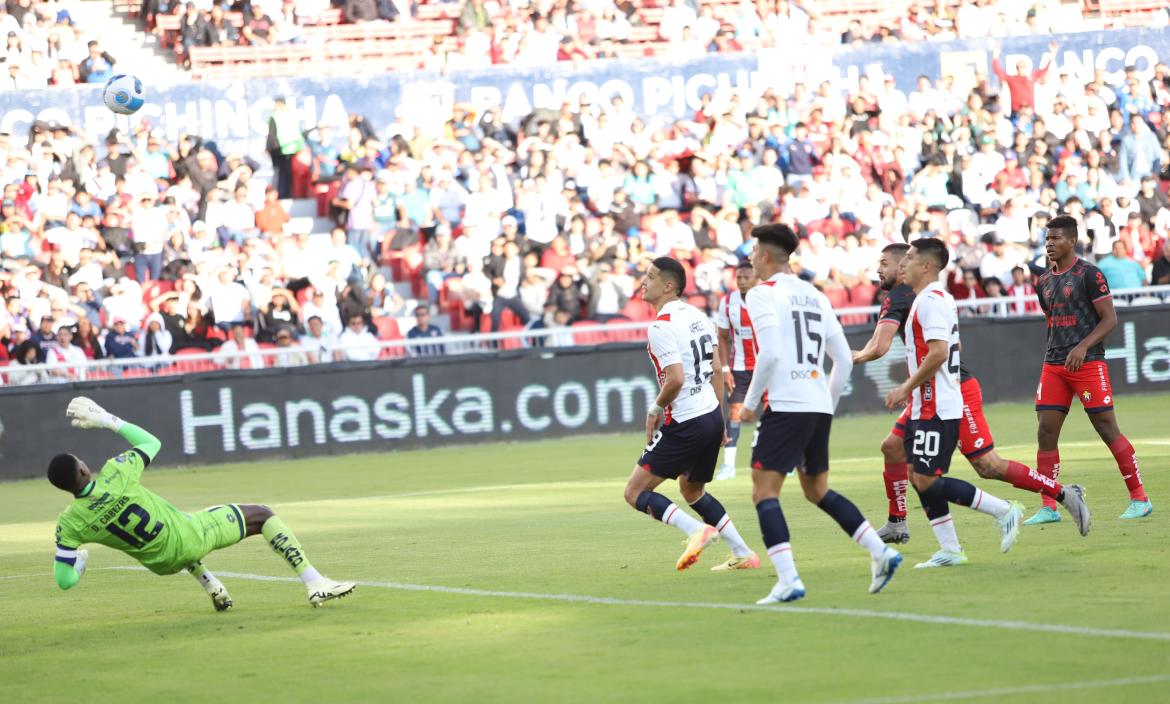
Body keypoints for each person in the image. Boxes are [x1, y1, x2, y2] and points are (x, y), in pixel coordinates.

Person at [854, 244, 1089, 548]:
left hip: (950, 391)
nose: (881, 269)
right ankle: (904, 525)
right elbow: (956, 346)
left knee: (986, 465)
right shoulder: (930, 296)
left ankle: (1061, 493)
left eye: (887, 263)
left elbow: (882, 346)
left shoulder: (903, 296)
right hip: (930, 391)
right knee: (895, 449)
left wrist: (858, 360)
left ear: (909, 266)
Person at [49, 397, 354, 609]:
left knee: (175, 524)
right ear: (84, 470)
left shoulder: (70, 523)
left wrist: (81, 562)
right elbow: (151, 443)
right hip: (191, 538)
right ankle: (314, 582)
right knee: (262, 515)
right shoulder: (117, 474)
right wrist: (107, 420)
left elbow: (64, 581)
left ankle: (212, 585)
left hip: (161, 564)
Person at [740, 224, 900, 604]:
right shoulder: (816, 296)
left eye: (752, 251)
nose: (749, 258)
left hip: (786, 404)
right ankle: (881, 552)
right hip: (816, 403)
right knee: (817, 490)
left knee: (764, 492)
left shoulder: (761, 294)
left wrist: (748, 404)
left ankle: (788, 579)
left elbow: (772, 354)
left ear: (765, 256)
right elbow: (843, 358)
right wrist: (826, 404)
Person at [883, 238, 1026, 569]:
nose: (902, 265)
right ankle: (950, 549)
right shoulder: (930, 299)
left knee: (928, 479)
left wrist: (905, 386)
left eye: (909, 259)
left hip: (936, 404)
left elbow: (939, 352)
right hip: (925, 404)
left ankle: (1004, 511)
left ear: (927, 266)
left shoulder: (931, 301)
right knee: (918, 476)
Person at [620, 256, 759, 573]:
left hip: (686, 420)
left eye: (651, 277)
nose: (645, 281)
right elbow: (716, 370)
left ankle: (696, 530)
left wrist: (655, 408)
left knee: (635, 492)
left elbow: (676, 379)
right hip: (709, 414)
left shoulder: (661, 326)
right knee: (692, 490)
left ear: (668, 286)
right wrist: (720, 420)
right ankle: (743, 553)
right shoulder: (697, 315)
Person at [1028, 215, 1152, 522]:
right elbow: (1051, 321)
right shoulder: (1044, 281)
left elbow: (1110, 319)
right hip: (1054, 365)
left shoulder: (1089, 274)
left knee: (1107, 430)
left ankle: (1140, 498)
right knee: (1045, 432)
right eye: (1047, 239)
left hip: (1088, 363)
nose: (1049, 244)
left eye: (1055, 238)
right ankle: (1049, 506)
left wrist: (1083, 346)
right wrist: (1054, 354)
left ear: (1072, 241)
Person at [712, 259, 756, 481]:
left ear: (756, 277)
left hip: (765, 367)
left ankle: (778, 460)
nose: (741, 281)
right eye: (738, 277)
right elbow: (722, 336)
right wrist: (726, 367)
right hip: (739, 368)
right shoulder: (728, 302)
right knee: (734, 415)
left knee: (773, 414)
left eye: (746, 277)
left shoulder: (765, 299)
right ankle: (728, 465)